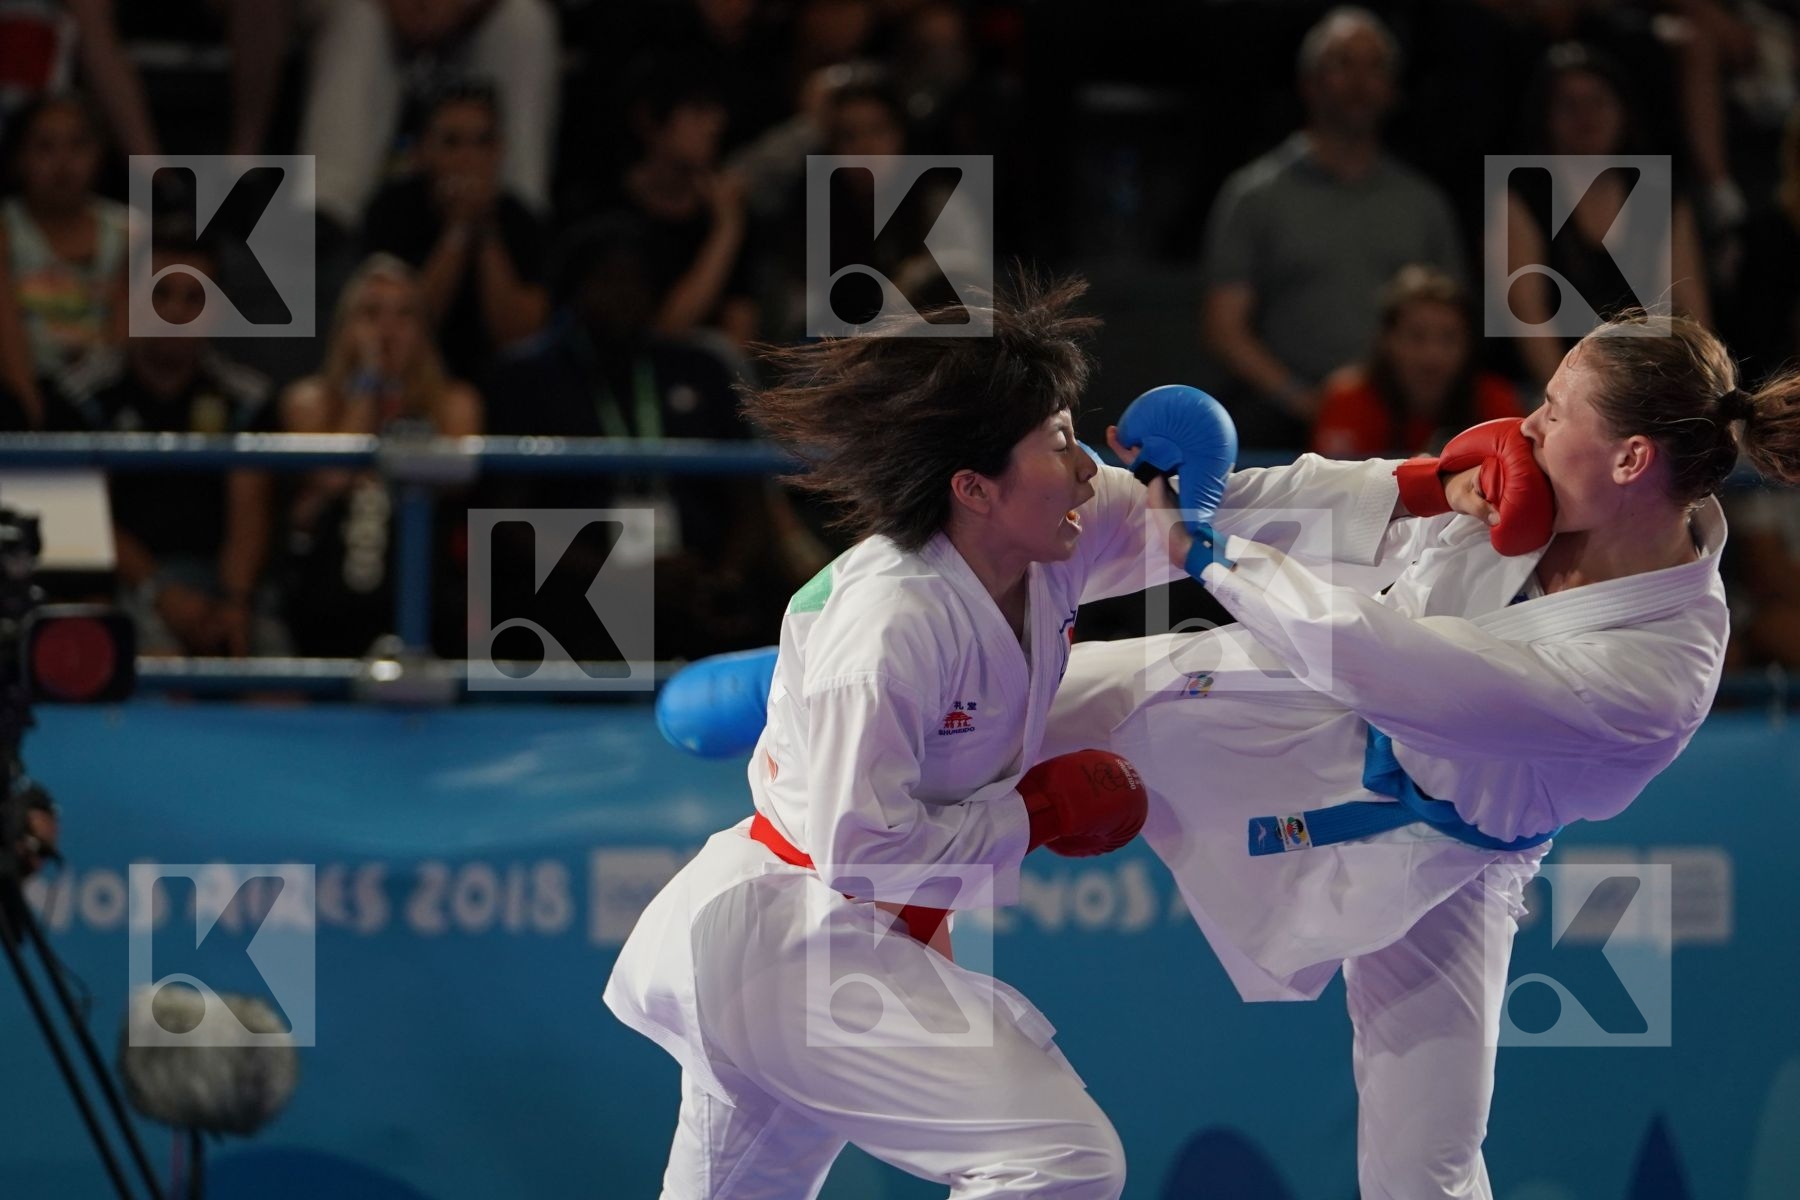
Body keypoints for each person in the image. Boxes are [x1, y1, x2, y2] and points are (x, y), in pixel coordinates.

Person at [1043, 309, 1800, 1197]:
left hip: (1452, 863)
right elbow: (1364, 521)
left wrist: (1212, 555)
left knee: (1423, 1170)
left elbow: (1406, 671)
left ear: (1632, 459)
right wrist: (1218, 495)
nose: (1528, 424)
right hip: (1303, 704)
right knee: (1037, 705)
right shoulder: (1539, 493)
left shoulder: (1656, 671)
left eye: (1555, 409)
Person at [605, 278, 1233, 1198]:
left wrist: (1425, 486)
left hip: (813, 940)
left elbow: (1198, 526)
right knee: (1063, 1160)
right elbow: (863, 852)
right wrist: (1038, 812)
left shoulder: (1040, 534)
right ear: (974, 487)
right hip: (794, 936)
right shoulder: (893, 628)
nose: (1091, 466)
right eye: (1060, 441)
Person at [1199, 5, 1464, 450]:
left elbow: (1456, 321)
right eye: (1343, 63)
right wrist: (1303, 399)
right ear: (1309, 83)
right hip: (1288, 413)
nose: (1359, 81)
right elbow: (1224, 327)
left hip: (1406, 417)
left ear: (1393, 90)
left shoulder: (1424, 204)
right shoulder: (1254, 195)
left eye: (1374, 67)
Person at [55, 236, 286, 657]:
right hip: (119, 584)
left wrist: (235, 604)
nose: (176, 312)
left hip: (222, 582)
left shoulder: (247, 399)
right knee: (152, 664)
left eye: (194, 297)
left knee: (273, 675)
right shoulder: (81, 397)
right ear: (132, 298)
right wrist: (161, 593)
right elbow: (84, 515)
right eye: (160, 293)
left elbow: (249, 512)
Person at [279, 253, 481, 658]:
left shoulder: (454, 402)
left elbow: (458, 480)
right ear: (346, 327)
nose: (388, 329)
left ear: (424, 330)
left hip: (426, 592)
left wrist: (404, 409)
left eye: (404, 315)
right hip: (330, 593)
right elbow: (332, 477)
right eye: (371, 314)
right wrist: (368, 390)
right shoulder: (309, 400)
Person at [1495, 43, 1713, 388]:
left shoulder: (1658, 191)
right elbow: (1526, 315)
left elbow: (1687, 309)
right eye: (1569, 104)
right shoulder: (1523, 193)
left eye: (1598, 101)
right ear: (1545, 116)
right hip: (1549, 387)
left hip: (1643, 384)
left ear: (1623, 111)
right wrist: (1569, 398)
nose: (1586, 115)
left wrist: (1690, 388)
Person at [362, 81, 550, 385]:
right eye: (452, 142)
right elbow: (405, 326)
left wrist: (485, 228)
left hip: (500, 386)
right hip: (406, 379)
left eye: (483, 142)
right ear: (421, 150)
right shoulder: (391, 211)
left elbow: (519, 336)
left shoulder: (521, 220)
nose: (469, 157)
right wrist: (459, 230)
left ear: (499, 149)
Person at [0, 93, 128, 429]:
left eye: (77, 146)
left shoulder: (131, 232)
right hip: (20, 392)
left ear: (100, 154)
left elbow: (123, 343)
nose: (63, 162)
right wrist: (33, 414)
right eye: (45, 147)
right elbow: (6, 334)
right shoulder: (5, 230)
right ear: (17, 158)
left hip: (104, 392)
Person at [1311, 264, 1522, 459]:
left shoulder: (1496, 403)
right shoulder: (1347, 400)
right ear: (1387, 340)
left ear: (1469, 344)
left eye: (1449, 338)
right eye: (1416, 336)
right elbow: (1332, 489)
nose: (1432, 355)